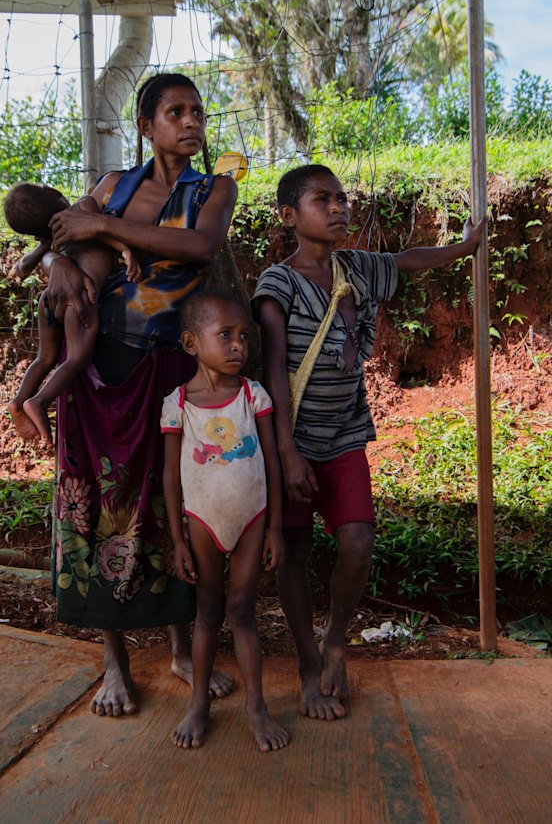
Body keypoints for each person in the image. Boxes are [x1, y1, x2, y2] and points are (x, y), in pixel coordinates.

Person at [252, 164, 487, 720]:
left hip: (345, 436)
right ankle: (309, 666)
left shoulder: (357, 268)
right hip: (293, 442)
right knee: (296, 555)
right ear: (289, 215)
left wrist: (465, 245)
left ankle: (335, 640)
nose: (338, 208)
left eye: (342, 198)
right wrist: (285, 452)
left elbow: (409, 261)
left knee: (357, 543)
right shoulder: (277, 284)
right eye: (322, 199)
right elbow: (273, 373)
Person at [40, 72, 239, 716]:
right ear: (146, 126)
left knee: (169, 505)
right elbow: (59, 237)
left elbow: (199, 245)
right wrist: (62, 261)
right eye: (175, 112)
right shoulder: (110, 187)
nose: (190, 122)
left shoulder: (212, 189)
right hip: (100, 373)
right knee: (100, 502)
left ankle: (181, 652)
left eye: (197, 112)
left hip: (171, 370)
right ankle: (114, 663)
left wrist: (114, 234)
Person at [161, 290, 289, 752]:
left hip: (252, 519)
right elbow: (171, 476)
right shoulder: (178, 403)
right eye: (226, 336)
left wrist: (275, 526)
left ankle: (257, 707)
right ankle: (199, 704)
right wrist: (177, 538)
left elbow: (271, 462)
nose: (239, 346)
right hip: (201, 523)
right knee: (208, 612)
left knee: (243, 612)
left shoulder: (253, 395)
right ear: (191, 342)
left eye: (244, 337)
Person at [5, 182, 140, 444]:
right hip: (81, 296)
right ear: (53, 191)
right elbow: (100, 228)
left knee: (44, 357)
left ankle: (19, 399)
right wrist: (123, 248)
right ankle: (39, 402)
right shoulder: (84, 205)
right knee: (76, 357)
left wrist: (43, 246)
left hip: (50, 298)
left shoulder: (51, 239)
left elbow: (23, 267)